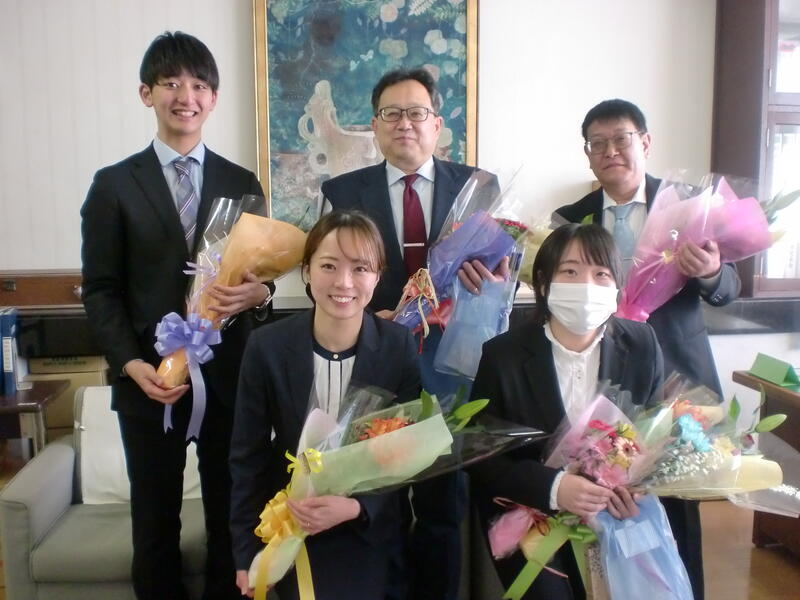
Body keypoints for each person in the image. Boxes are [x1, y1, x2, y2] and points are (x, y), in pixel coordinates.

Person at [80, 31, 271, 600]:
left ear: (213, 98)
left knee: (233, 517)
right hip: (149, 380)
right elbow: (101, 290)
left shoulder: (241, 183)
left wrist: (259, 295)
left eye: (199, 85)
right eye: (171, 84)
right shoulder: (114, 185)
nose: (186, 96)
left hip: (228, 380)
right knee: (154, 523)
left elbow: (261, 276)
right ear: (147, 93)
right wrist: (129, 363)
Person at [320, 67, 507, 599]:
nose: (405, 123)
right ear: (374, 125)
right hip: (374, 359)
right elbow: (327, 277)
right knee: (374, 494)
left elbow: (503, 278)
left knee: (443, 499)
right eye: (391, 113)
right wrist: (364, 319)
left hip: (452, 363)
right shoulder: (342, 192)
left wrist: (490, 279)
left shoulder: (479, 186)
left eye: (417, 112)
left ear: (437, 124)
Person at [554, 99, 741, 599]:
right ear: (588, 154)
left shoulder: (690, 207)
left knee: (677, 503)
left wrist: (710, 271)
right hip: (602, 377)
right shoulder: (569, 218)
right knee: (607, 499)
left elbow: (728, 286)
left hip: (676, 376)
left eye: (621, 139)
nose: (610, 151)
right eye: (597, 143)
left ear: (645, 143)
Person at [229, 210, 420, 600]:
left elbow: (407, 454)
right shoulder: (267, 347)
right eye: (329, 265)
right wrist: (246, 553)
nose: (343, 282)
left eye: (360, 268)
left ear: (378, 276)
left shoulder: (398, 347)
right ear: (307, 271)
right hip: (290, 527)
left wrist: (357, 507)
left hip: (367, 531)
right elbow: (247, 457)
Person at [469, 223, 664, 599]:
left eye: (601, 274)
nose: (586, 286)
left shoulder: (642, 345)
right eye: (570, 272)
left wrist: (636, 488)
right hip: (532, 517)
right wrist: (555, 488)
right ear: (544, 283)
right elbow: (481, 455)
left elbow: (655, 434)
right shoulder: (503, 355)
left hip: (619, 516)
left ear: (617, 286)